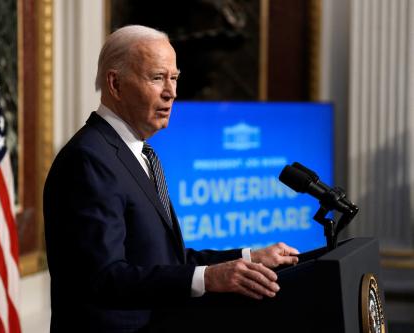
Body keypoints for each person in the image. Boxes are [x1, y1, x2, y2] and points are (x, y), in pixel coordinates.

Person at [43, 25, 299, 332]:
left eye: (174, 78)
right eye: (157, 78)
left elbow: (162, 260)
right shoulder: (88, 159)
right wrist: (209, 278)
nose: (172, 92)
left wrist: (249, 257)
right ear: (115, 83)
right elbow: (104, 277)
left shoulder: (141, 154)